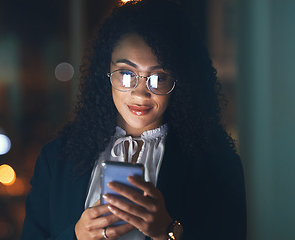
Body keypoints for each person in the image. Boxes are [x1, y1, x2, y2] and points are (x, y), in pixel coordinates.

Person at [21, 0, 247, 239]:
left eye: (158, 77)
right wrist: (76, 235)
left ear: (181, 81)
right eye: (127, 74)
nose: (140, 93)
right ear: (105, 73)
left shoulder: (216, 165)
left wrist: (169, 230)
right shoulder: (57, 158)